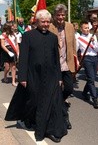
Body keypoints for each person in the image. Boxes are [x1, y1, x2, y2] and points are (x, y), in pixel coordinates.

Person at [5, 9, 68, 143]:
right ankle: (27, 119)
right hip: (33, 75)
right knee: (33, 101)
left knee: (50, 103)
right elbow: (23, 58)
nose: (45, 24)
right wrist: (22, 77)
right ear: (37, 21)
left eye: (47, 22)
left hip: (51, 76)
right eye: (42, 21)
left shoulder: (53, 37)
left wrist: (59, 78)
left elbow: (56, 60)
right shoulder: (28, 36)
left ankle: (49, 130)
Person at [49, 4, 77, 128]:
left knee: (69, 89)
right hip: (53, 66)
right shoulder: (49, 27)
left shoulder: (70, 26)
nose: (61, 17)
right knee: (57, 91)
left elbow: (73, 45)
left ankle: (59, 101)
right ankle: (65, 118)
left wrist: (76, 59)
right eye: (58, 15)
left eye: (63, 15)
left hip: (67, 64)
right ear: (54, 16)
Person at [77, 21, 98, 109]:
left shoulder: (93, 36)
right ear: (81, 29)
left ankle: (84, 92)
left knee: (91, 78)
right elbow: (76, 50)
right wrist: (77, 62)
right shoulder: (79, 38)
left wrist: (93, 42)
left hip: (94, 58)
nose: (86, 30)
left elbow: (97, 49)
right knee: (91, 80)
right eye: (84, 28)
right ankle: (95, 98)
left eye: (87, 28)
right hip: (86, 59)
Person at [0, 22, 19, 86]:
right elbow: (2, 45)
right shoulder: (3, 35)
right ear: (8, 27)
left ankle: (13, 81)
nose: (13, 27)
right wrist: (8, 52)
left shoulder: (14, 34)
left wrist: (18, 52)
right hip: (6, 51)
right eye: (12, 26)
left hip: (13, 50)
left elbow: (16, 44)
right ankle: (5, 75)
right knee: (7, 67)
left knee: (13, 67)